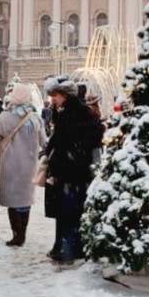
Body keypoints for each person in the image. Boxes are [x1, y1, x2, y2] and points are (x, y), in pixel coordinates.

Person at [42, 77, 102, 265]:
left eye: (56, 96)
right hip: (69, 170)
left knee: (69, 211)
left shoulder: (74, 113)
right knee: (67, 210)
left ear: (65, 95)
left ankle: (68, 248)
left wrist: (71, 155)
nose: (53, 99)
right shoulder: (66, 111)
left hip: (71, 171)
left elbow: (89, 137)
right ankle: (64, 245)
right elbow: (59, 137)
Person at [0, 83, 47, 247]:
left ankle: (16, 235)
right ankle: (22, 233)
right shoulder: (35, 117)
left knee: (13, 201)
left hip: (10, 165)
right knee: (24, 200)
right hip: (29, 164)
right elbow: (44, 140)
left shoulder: (4, 116)